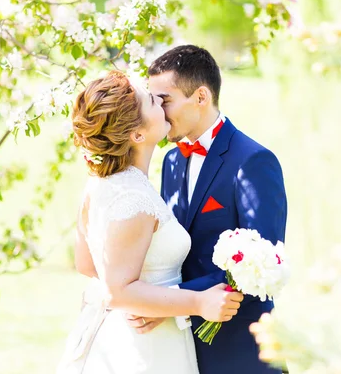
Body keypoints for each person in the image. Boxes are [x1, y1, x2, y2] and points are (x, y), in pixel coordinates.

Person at [56, 70, 243, 374]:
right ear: (137, 134)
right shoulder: (133, 197)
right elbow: (119, 291)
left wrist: (143, 294)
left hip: (121, 334)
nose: (160, 101)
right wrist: (196, 303)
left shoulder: (100, 183)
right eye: (152, 101)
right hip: (145, 348)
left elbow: (87, 265)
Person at [128, 45, 288, 374]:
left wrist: (172, 302)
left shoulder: (253, 162)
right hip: (177, 347)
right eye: (153, 100)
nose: (156, 110)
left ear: (201, 97)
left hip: (239, 351)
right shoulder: (171, 160)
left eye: (164, 100)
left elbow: (262, 265)